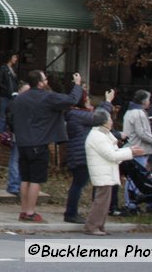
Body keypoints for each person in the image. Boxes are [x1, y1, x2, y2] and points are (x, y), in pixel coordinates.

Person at [9, 69, 83, 222]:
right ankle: (30, 212)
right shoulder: (47, 97)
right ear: (41, 83)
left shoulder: (19, 99)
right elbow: (72, 100)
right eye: (45, 79)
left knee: (25, 179)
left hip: (22, 142)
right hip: (38, 142)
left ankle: (23, 211)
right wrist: (77, 84)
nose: (47, 81)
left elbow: (11, 117)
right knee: (36, 179)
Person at [85, 108, 145, 236]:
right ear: (104, 121)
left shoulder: (104, 134)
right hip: (102, 172)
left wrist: (129, 150)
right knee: (101, 201)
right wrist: (131, 152)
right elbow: (111, 155)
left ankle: (100, 225)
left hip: (106, 171)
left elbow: (114, 152)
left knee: (105, 201)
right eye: (109, 119)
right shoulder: (98, 136)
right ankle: (93, 226)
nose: (111, 121)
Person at [63, 87, 115, 225]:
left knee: (79, 184)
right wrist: (108, 101)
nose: (89, 102)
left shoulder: (75, 114)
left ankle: (75, 212)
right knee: (78, 185)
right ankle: (71, 213)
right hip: (81, 154)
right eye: (87, 100)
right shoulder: (77, 114)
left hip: (78, 153)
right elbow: (99, 117)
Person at [122, 89, 152, 211]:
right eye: (148, 99)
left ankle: (130, 202)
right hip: (138, 149)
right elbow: (142, 133)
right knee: (137, 179)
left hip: (131, 147)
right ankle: (131, 203)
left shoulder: (129, 112)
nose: (149, 102)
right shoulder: (139, 113)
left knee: (132, 178)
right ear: (144, 100)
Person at [0, 51, 20, 133]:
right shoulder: (3, 68)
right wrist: (7, 89)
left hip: (13, 95)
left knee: (10, 115)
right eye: (14, 57)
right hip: (5, 95)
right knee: (3, 115)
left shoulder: (13, 69)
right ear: (10, 58)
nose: (16, 59)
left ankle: (6, 132)